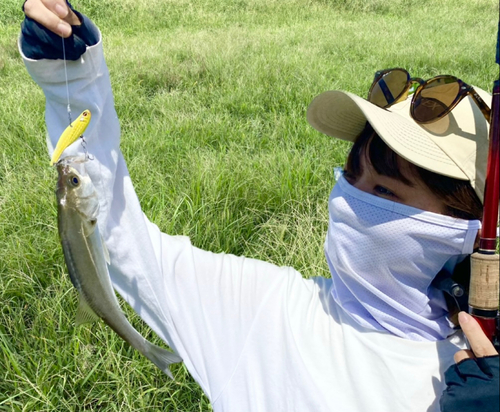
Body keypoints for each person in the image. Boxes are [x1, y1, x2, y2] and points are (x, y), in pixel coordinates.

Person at [20, 1, 499, 411]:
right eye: (351, 177)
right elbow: (127, 246)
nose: (350, 202)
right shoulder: (264, 309)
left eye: (386, 192)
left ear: (466, 228)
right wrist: (71, 80)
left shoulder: (480, 379)